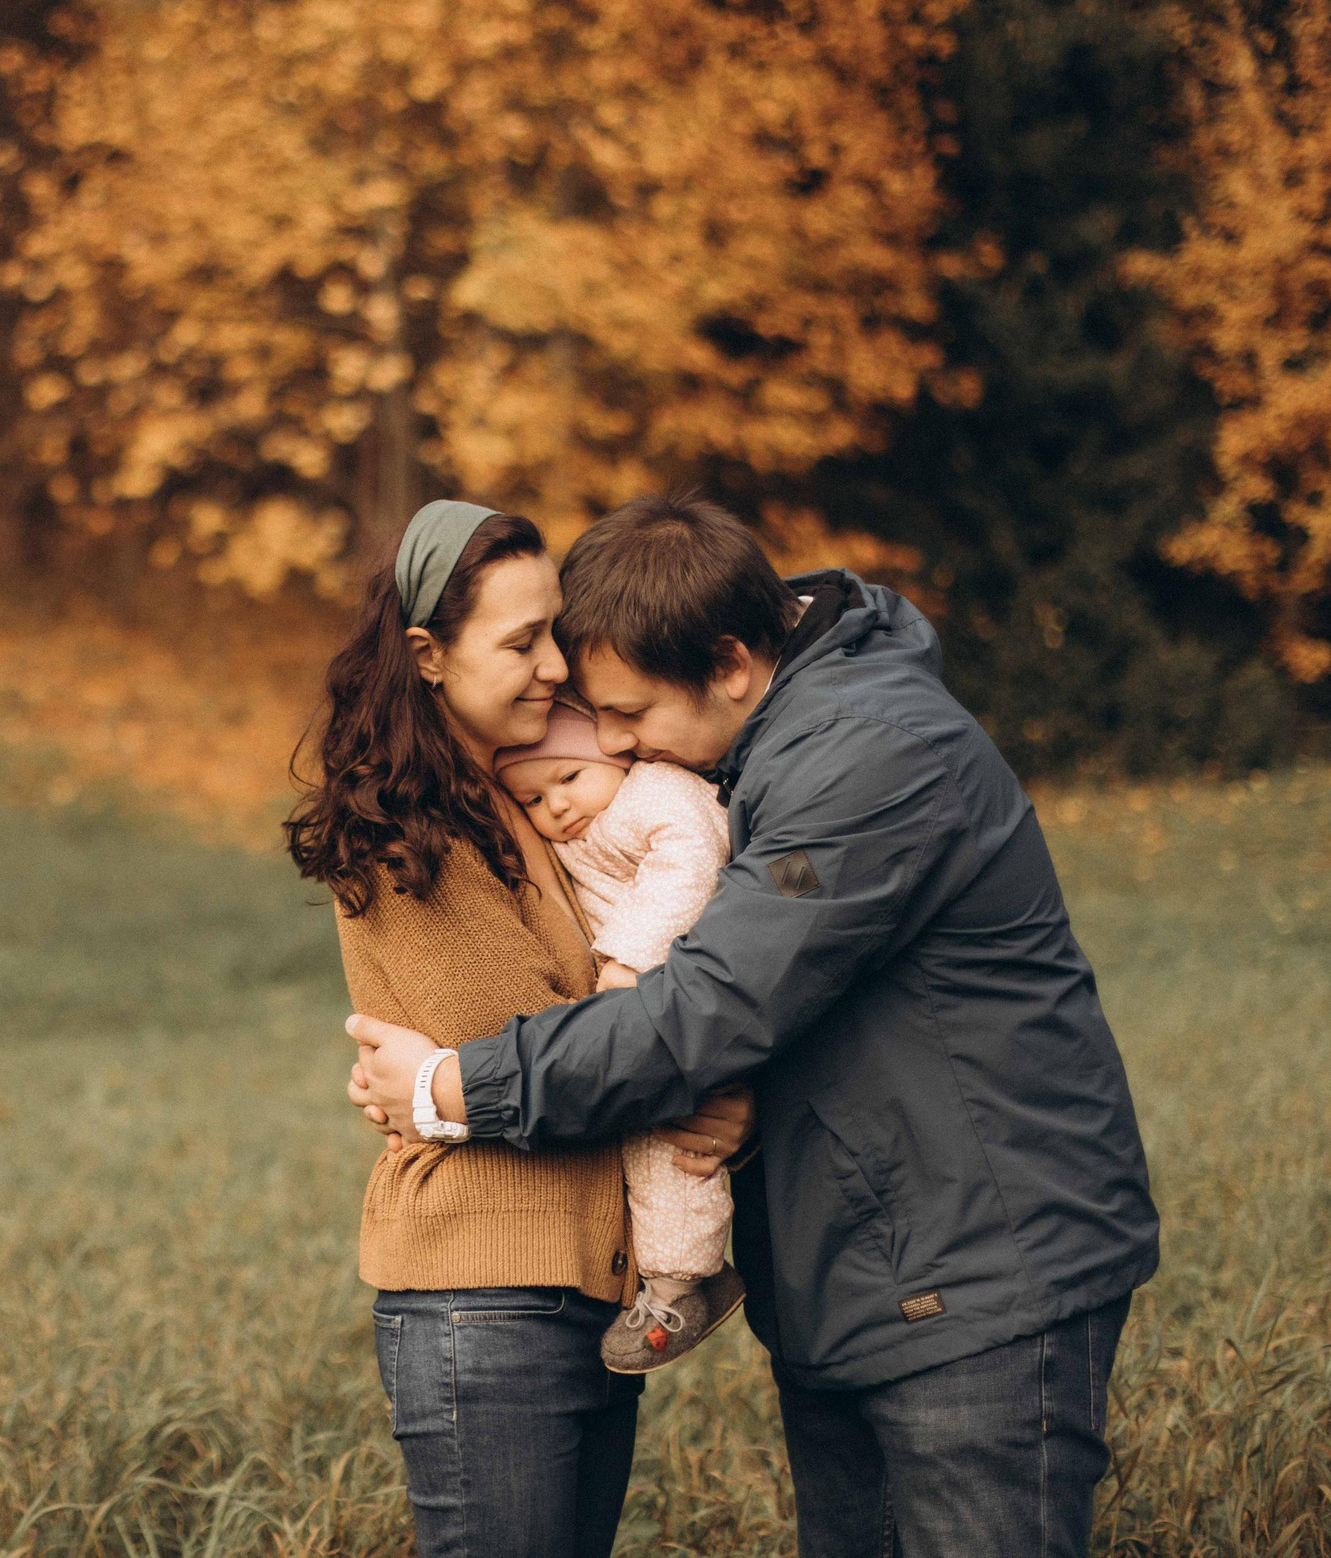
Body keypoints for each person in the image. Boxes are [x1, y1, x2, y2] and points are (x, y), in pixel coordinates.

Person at [347, 495, 1161, 1558]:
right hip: (869, 1283)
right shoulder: (767, 741)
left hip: (975, 1283)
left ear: (729, 662)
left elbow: (707, 1010)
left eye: (630, 713)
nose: (618, 745)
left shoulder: (866, 757)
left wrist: (452, 1089)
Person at [285, 500, 749, 1558]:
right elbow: (555, 1057)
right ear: (428, 656)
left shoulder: (525, 801)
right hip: (481, 1296)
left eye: (554, 632)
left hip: (574, 1287)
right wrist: (676, 1073)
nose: (556, 666)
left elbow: (604, 1039)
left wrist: (701, 1081)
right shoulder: (412, 826)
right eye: (522, 640)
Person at [495, 701, 745, 1373]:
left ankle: (680, 1279)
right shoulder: (588, 828)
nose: (556, 805)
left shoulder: (652, 793)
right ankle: (677, 1272)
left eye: (569, 776)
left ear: (612, 757)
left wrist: (631, 956)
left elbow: (693, 855)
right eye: (534, 798)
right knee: (651, 1133)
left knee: (674, 1140)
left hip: (685, 989)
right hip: (652, 1005)